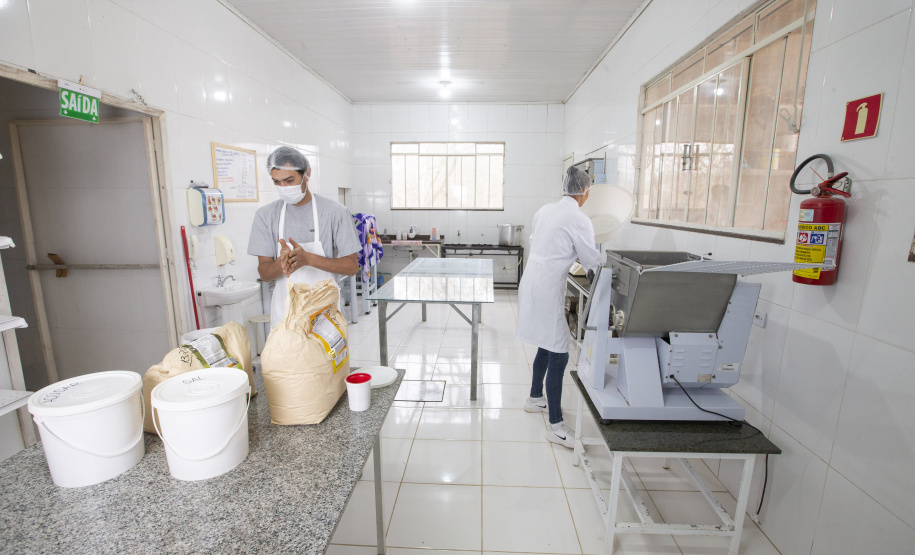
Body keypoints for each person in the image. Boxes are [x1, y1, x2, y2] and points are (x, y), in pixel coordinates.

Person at [516, 166, 603, 448]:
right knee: (560, 352)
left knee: (546, 341)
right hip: (548, 288)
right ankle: (555, 426)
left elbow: (541, 242)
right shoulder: (580, 219)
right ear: (585, 191)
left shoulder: (546, 210)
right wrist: (603, 271)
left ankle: (534, 398)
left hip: (531, 281)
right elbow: (591, 260)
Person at [247, 146, 360, 331]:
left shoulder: (335, 212)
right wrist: (282, 263)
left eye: (289, 180)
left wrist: (308, 259)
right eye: (277, 182)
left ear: (306, 173)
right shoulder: (265, 216)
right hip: (285, 316)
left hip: (325, 315)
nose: (283, 188)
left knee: (324, 360)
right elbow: (264, 274)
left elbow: (351, 266)